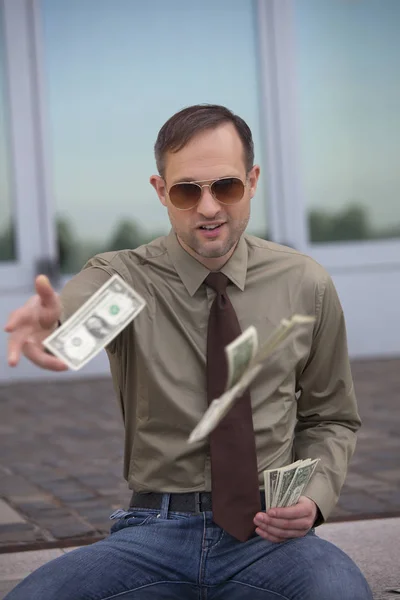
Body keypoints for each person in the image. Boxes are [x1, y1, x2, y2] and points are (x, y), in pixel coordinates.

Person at [4, 104, 372, 600]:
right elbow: (79, 316)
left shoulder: (305, 285)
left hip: (271, 537)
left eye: (226, 186)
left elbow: (331, 417)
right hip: (153, 534)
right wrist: (53, 325)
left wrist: (315, 495)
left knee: (340, 593)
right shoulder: (128, 282)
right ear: (161, 191)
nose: (209, 208)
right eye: (187, 190)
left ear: (253, 180)